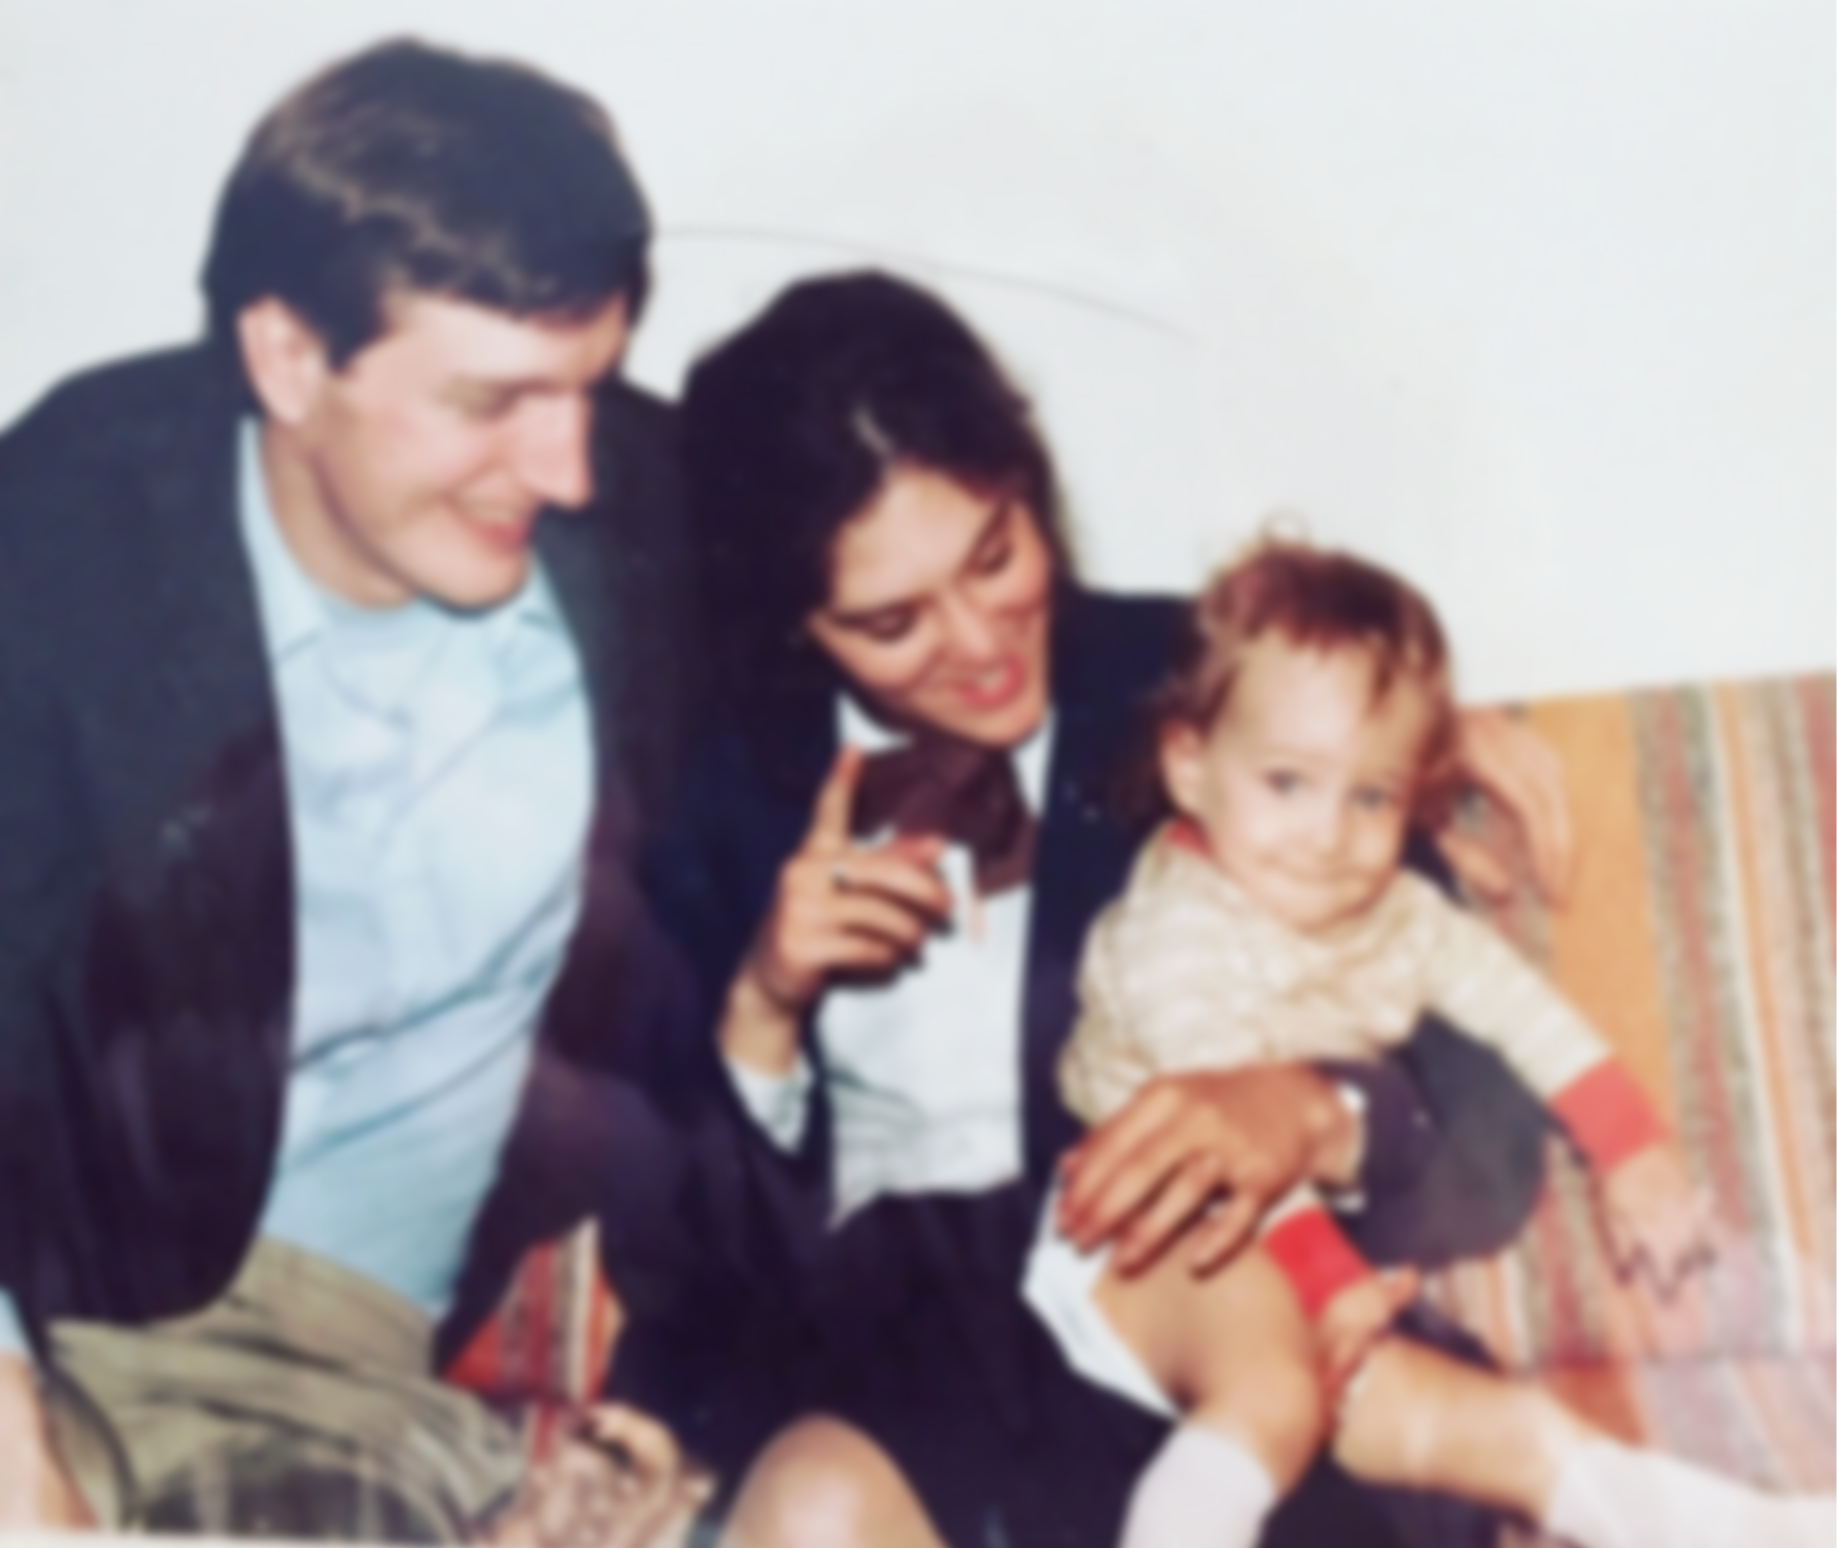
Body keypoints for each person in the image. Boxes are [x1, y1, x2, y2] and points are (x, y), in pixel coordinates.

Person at [617, 269, 1580, 1548]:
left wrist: (1311, 1110)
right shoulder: (731, 796)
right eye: (893, 622)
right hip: (894, 1367)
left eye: (995, 555)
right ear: (796, 628)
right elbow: (675, 1272)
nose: (976, 642)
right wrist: (763, 1007)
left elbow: (1494, 1129)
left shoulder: (1221, 685)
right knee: (807, 1517)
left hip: (1201, 1317)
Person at [0, 37, 701, 1538]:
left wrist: (681, 1426)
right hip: (33, 1293)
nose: (567, 467)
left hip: (308, 1379)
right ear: (288, 358)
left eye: (591, 386)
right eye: (492, 402)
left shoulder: (648, 528)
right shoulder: (72, 516)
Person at [1024, 537, 1837, 1548]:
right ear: (1190, 766)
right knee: (1271, 1395)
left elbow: (1516, 1006)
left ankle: (1760, 1530)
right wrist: (1330, 1288)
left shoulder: (1397, 913)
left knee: (1487, 1427)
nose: (1328, 835)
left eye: (1369, 797)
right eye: (1287, 783)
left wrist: (1629, 1150)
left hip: (1278, 1248)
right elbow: (1234, 1139)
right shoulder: (1170, 935)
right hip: (1136, 1227)